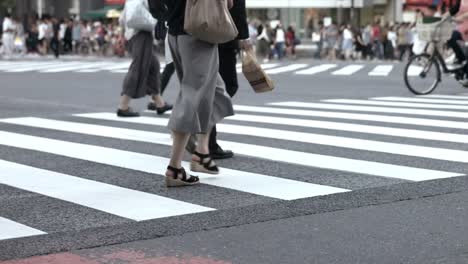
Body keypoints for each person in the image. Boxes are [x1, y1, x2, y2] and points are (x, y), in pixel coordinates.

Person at [152, 0, 235, 187]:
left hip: (176, 31)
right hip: (199, 32)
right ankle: (174, 168)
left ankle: (201, 152)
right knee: (191, 95)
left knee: (216, 92)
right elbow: (228, 3)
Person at [206, 0, 250, 159]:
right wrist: (243, 37)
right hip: (223, 35)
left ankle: (202, 138)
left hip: (199, 31)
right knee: (226, 87)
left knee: (204, 88)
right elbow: (236, 6)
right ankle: (206, 141)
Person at [117, 0, 172, 118]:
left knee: (153, 66)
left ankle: (159, 103)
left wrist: (122, 34)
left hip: (133, 35)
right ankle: (123, 105)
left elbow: (122, 19)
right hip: (142, 34)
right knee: (137, 68)